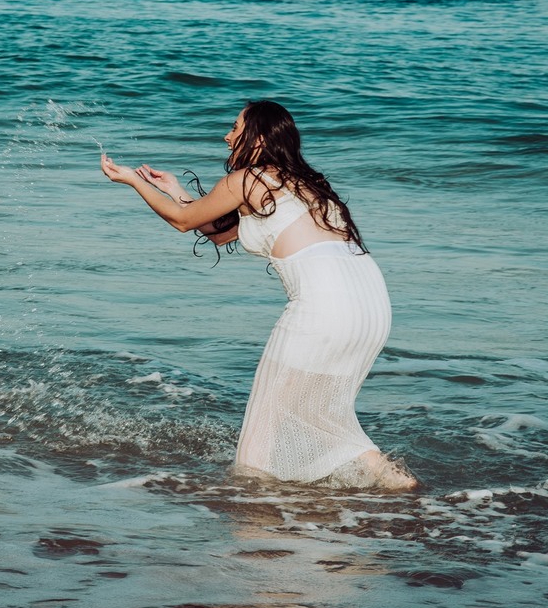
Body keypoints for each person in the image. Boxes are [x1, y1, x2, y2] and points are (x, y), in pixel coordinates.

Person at [100, 100, 416, 491]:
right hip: (371, 308)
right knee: (316, 413)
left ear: (260, 137)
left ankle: (254, 524)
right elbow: (216, 229)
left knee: (263, 427)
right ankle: (392, 482)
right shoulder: (307, 184)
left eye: (235, 127)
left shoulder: (247, 180)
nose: (227, 135)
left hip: (324, 307)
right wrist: (174, 189)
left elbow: (183, 221)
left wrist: (134, 181)